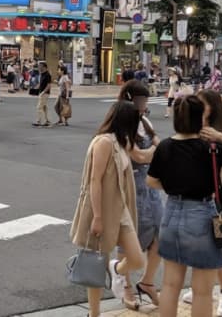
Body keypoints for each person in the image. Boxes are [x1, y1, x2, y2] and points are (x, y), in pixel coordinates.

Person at [146, 95, 222, 317]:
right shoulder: (211, 148)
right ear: (200, 118)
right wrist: (220, 137)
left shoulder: (165, 146)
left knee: (170, 285)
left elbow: (151, 180)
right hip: (201, 214)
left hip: (171, 214)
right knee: (202, 291)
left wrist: (172, 186)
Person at [70, 101, 155, 317]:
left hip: (120, 209)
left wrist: (159, 145)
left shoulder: (121, 141)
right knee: (94, 266)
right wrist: (97, 217)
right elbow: (94, 181)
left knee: (136, 258)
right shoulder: (104, 142)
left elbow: (143, 157)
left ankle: (115, 269)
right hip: (101, 209)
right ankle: (94, 313)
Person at [181, 89, 222, 316]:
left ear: (211, 107)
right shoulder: (195, 129)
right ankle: (201, 289)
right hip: (195, 196)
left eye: (201, 103)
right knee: (197, 246)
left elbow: (221, 171)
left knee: (217, 248)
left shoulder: (217, 133)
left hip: (213, 196)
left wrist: (213, 196)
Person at [117, 81, 163, 310]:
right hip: (130, 185)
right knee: (129, 236)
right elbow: (138, 156)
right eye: (142, 100)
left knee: (159, 235)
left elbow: (156, 148)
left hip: (150, 186)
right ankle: (124, 284)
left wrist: (155, 152)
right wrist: (155, 152)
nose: (145, 105)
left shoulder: (145, 121)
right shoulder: (122, 124)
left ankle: (147, 282)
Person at [32, 61, 52, 127]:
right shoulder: (42, 74)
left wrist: (43, 92)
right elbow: (41, 84)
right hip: (42, 92)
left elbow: (49, 85)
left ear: (44, 67)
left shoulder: (47, 74)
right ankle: (47, 121)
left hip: (45, 93)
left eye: (40, 66)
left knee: (39, 107)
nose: (38, 67)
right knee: (44, 107)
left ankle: (38, 121)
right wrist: (35, 88)